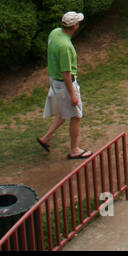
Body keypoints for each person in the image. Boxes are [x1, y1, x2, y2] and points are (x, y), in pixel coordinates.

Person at [37, 12, 90, 159]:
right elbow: (66, 73)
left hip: (54, 80)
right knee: (76, 115)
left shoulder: (54, 33)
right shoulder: (66, 47)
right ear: (74, 26)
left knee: (62, 110)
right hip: (64, 84)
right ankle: (74, 149)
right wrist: (73, 95)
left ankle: (45, 138)